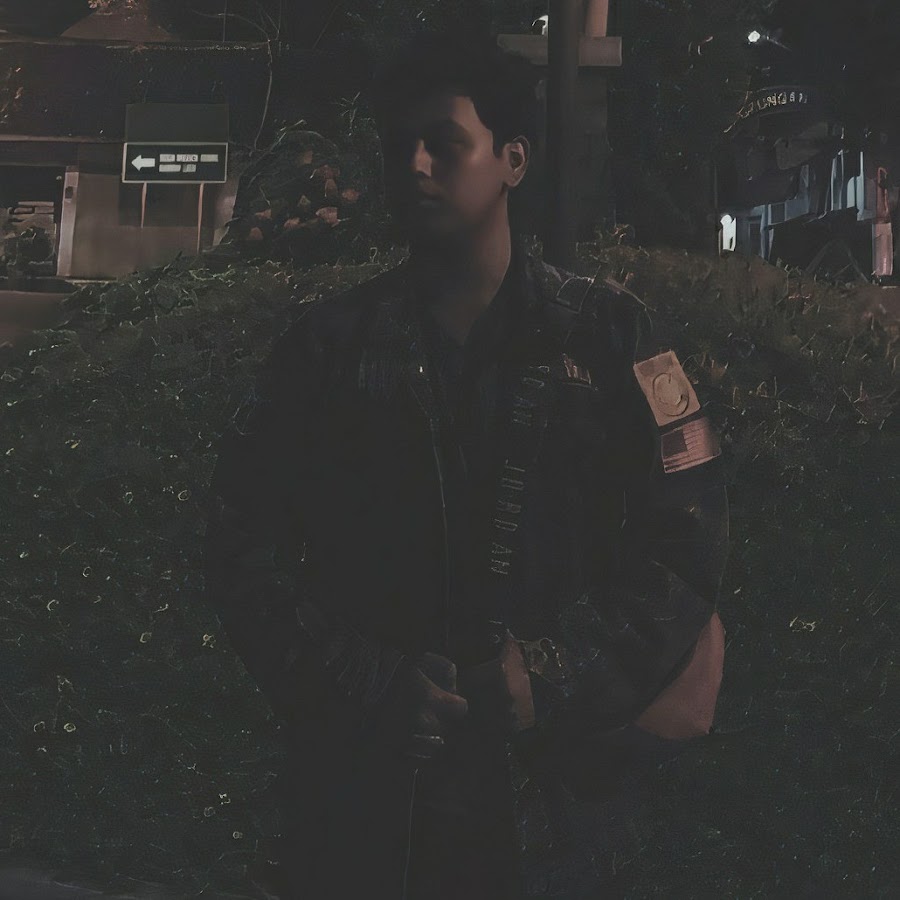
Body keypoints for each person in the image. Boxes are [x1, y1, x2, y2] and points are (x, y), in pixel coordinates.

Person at [202, 29, 729, 900]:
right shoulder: (328, 347)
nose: (413, 165)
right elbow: (238, 541)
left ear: (513, 159)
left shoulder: (609, 334)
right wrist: (369, 682)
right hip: (369, 803)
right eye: (398, 146)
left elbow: (686, 540)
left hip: (559, 801)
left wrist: (551, 673)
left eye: (443, 143)